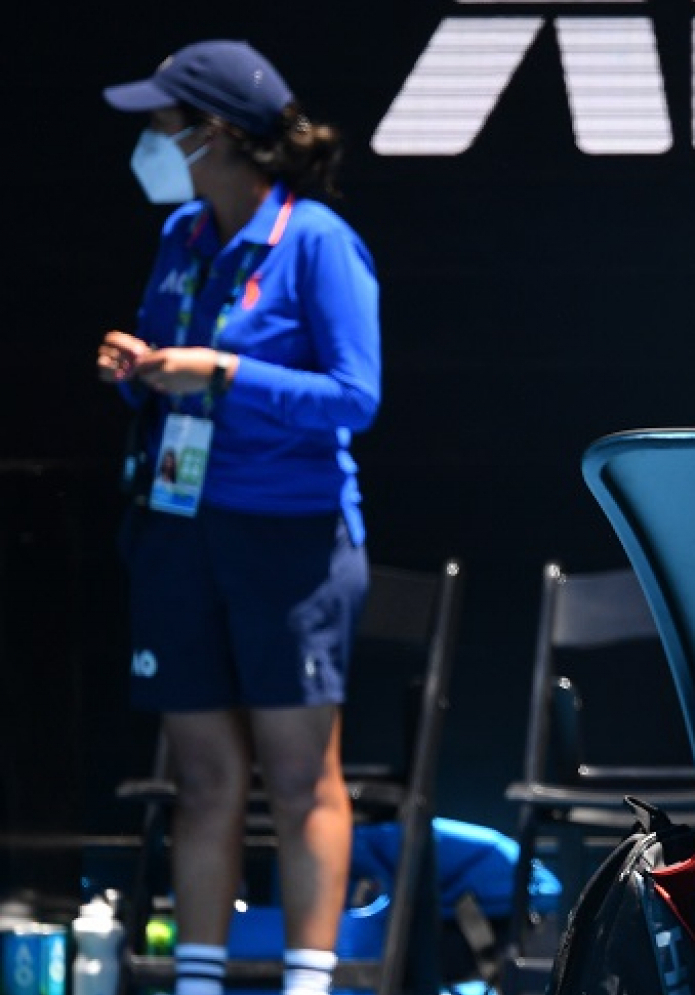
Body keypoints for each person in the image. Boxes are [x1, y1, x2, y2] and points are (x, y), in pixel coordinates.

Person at [96, 39, 380, 995]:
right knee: (204, 778)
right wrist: (139, 371)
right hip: (181, 533)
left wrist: (220, 374)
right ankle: (200, 979)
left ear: (211, 133)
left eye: (161, 123)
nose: (148, 138)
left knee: (301, 777)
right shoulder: (181, 233)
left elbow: (354, 395)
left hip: (291, 542)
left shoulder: (318, 243)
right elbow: (173, 365)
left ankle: (306, 980)